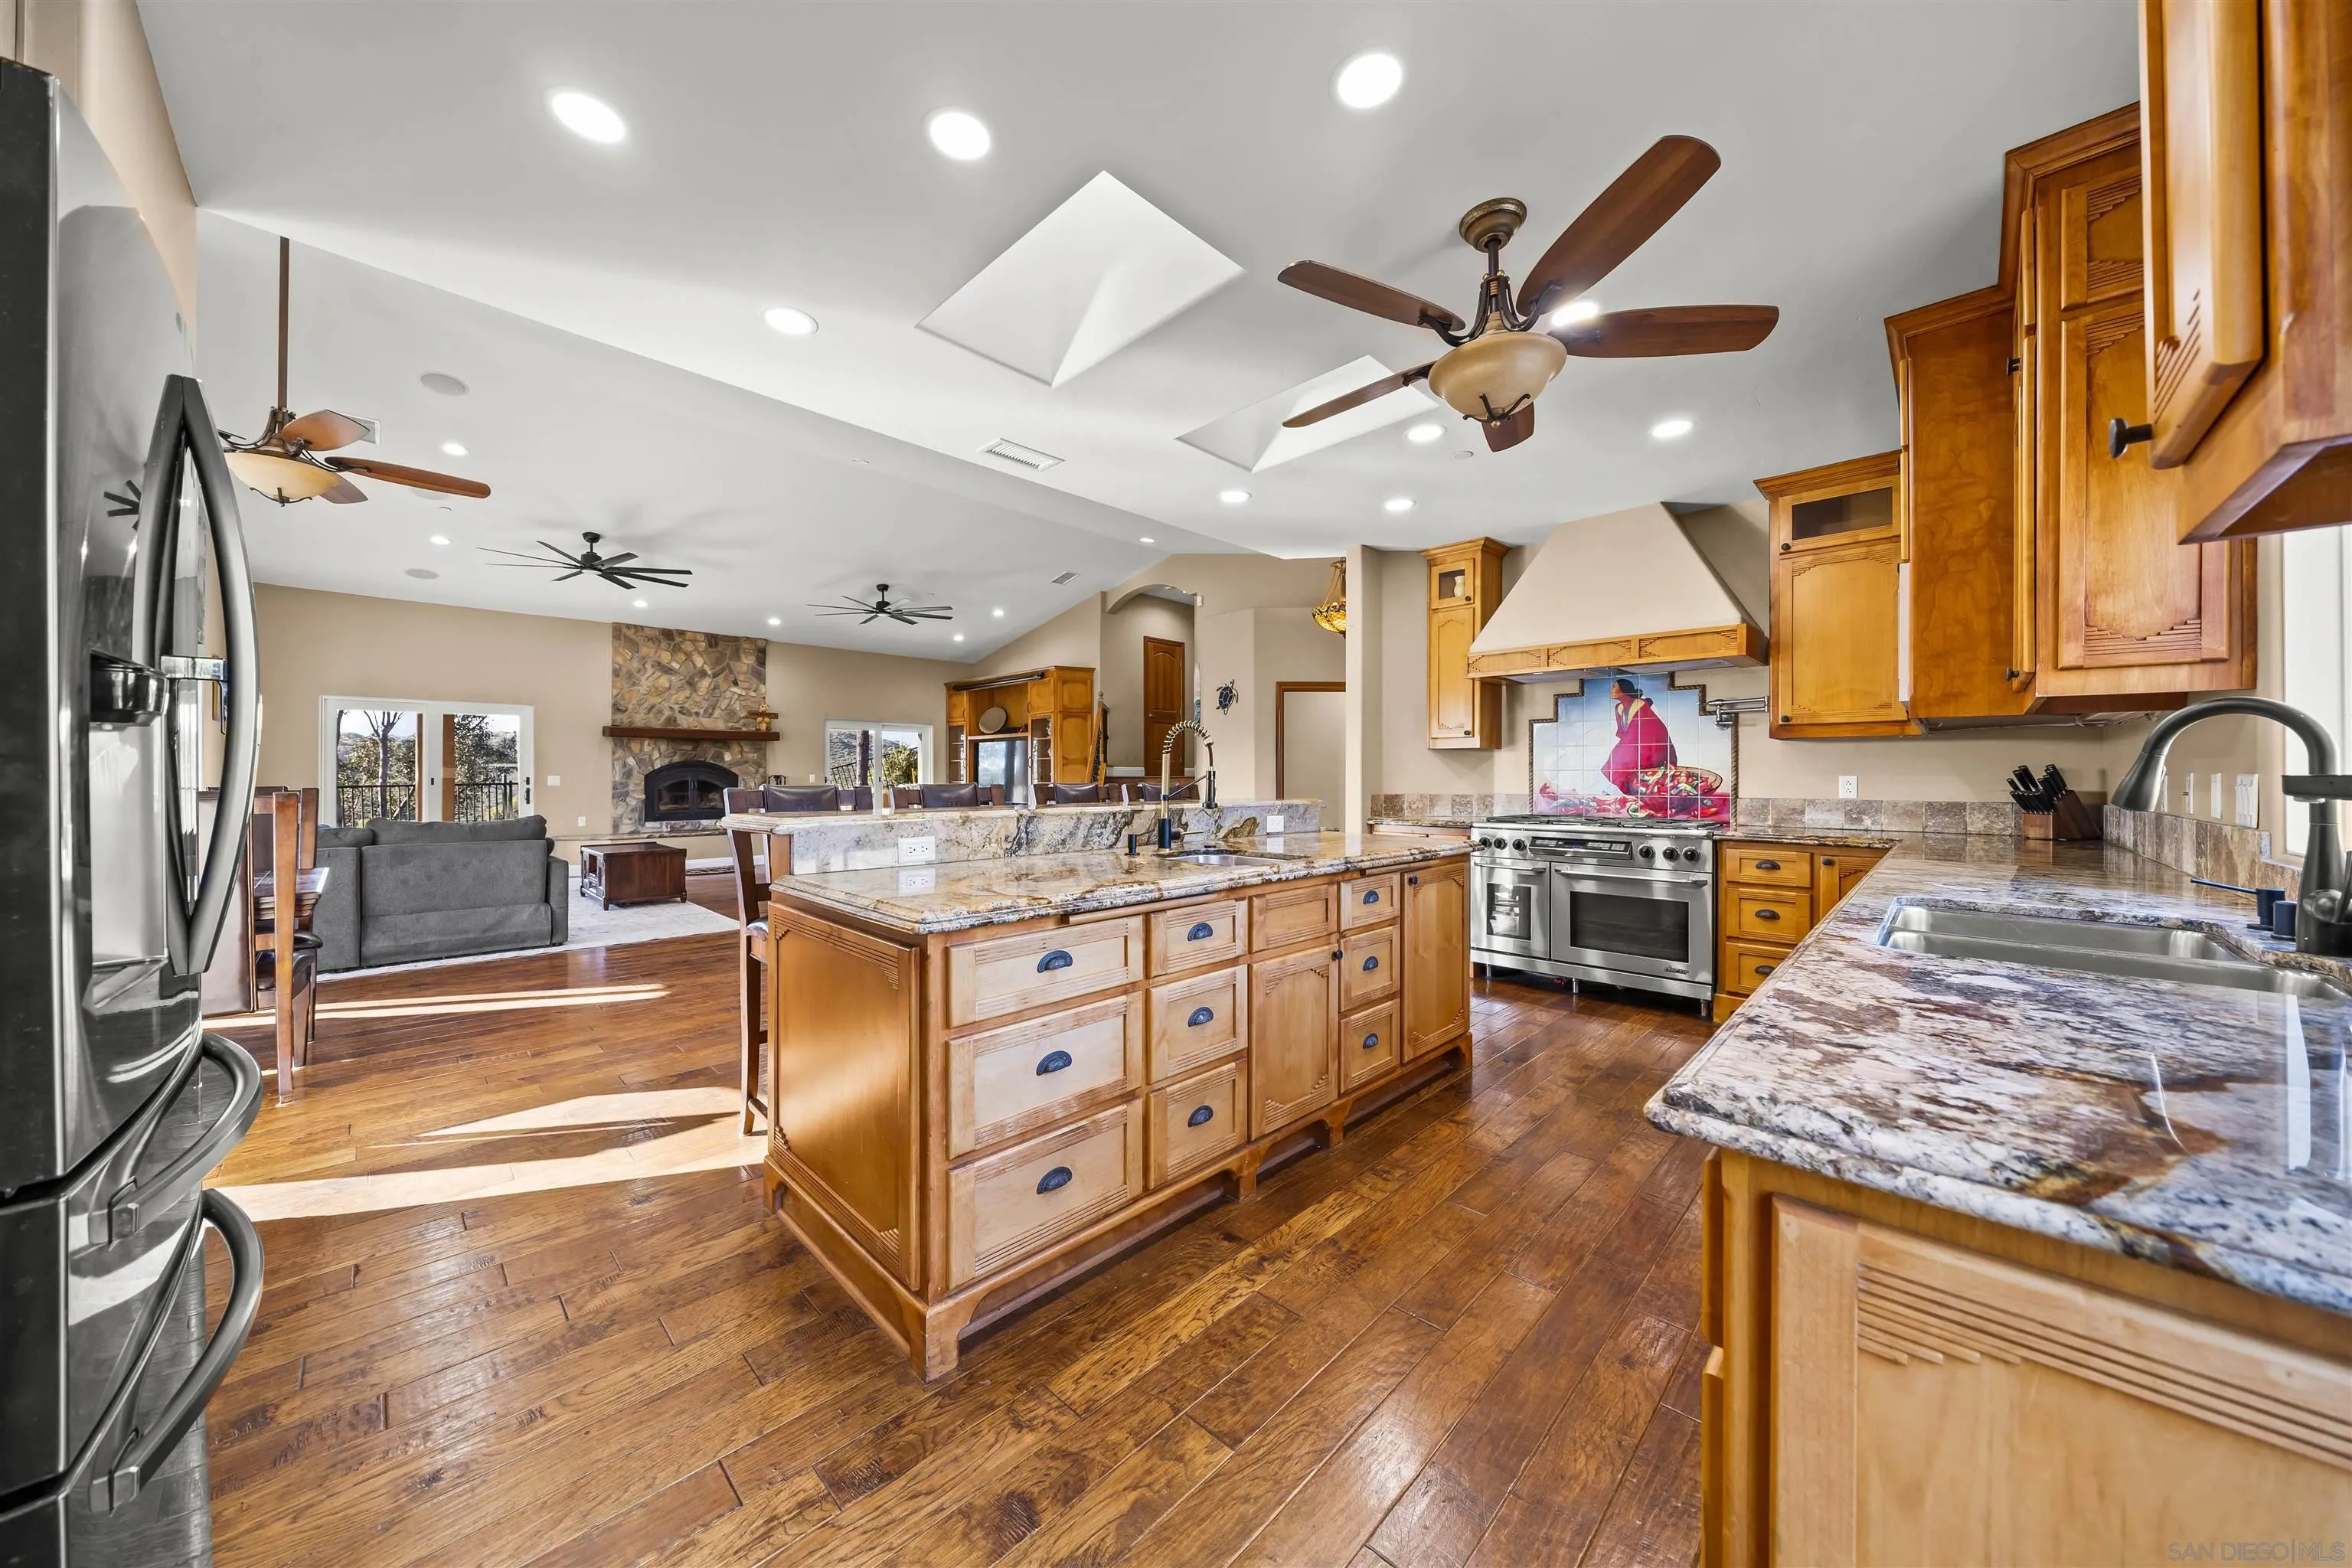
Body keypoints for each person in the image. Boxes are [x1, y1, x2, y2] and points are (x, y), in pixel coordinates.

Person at [1602, 677, 1677, 797]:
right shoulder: (1618, 708)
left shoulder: (1640, 705)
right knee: (1619, 760)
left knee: (1624, 760)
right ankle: (1630, 790)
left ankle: (1640, 790)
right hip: (1635, 738)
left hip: (1654, 739)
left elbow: (1646, 728)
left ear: (1623, 690)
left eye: (1614, 687)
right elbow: (1623, 730)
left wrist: (1625, 745)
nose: (1611, 690)